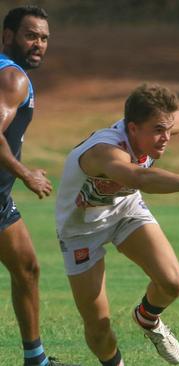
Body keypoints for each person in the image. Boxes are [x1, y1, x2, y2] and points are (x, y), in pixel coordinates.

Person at [55, 83, 179, 366]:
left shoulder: (159, 126)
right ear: (133, 128)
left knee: (172, 283)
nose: (165, 138)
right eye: (158, 130)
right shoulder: (105, 151)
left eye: (167, 129)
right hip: (81, 231)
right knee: (98, 327)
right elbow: (140, 179)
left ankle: (147, 318)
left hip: (125, 209)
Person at [0, 6, 77, 366]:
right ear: (8, 36)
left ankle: (36, 360)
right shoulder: (13, 78)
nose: (39, 44)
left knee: (27, 267)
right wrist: (25, 172)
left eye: (44, 38)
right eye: (30, 35)